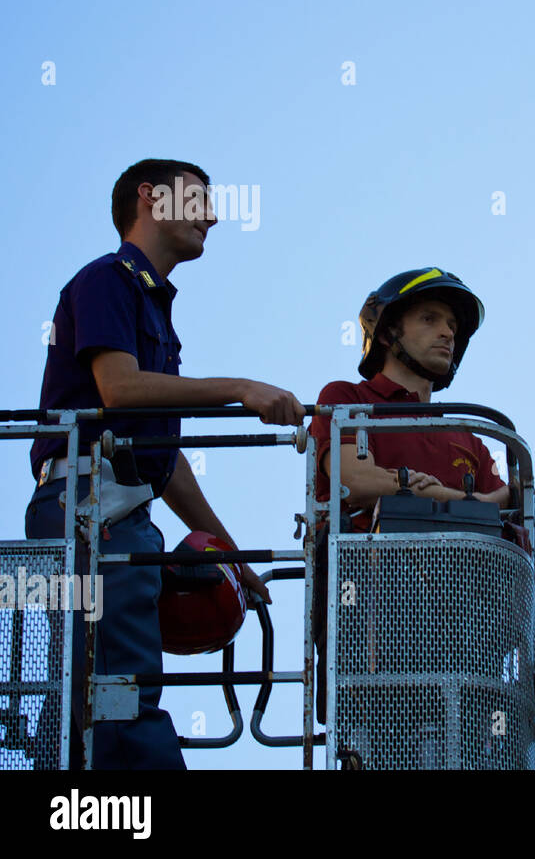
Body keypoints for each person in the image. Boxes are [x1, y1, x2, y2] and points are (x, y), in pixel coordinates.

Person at [25, 158, 306, 769]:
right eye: (200, 199)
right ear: (151, 198)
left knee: (102, 688)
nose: (212, 215)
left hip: (119, 508)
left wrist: (229, 554)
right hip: (89, 507)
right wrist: (240, 388)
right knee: (110, 695)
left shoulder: (152, 305)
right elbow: (119, 391)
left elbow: (162, 456)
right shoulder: (107, 279)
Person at [307, 268, 510, 740]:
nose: (447, 334)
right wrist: (463, 499)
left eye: (453, 328)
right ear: (389, 331)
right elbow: (351, 481)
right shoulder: (348, 400)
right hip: (374, 635)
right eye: (429, 319)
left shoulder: (465, 434)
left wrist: (426, 491)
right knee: (375, 750)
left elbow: (508, 498)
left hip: (463, 638)